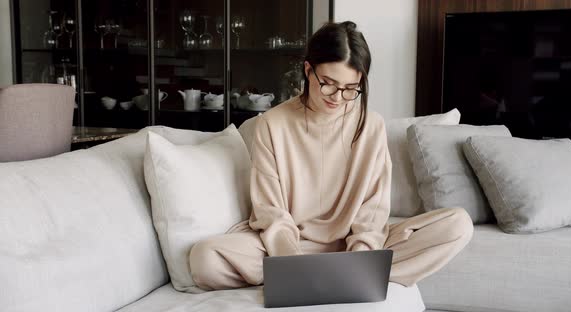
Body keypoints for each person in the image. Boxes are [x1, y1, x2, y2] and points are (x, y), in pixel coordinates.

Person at [189, 21, 473, 291]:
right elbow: (271, 211)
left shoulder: (371, 126)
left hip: (354, 250)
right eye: (328, 83)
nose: (337, 97)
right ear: (308, 70)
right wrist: (292, 263)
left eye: (351, 89)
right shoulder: (271, 124)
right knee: (205, 258)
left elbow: (372, 212)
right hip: (288, 247)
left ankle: (344, 276)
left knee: (458, 224)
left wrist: (361, 255)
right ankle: (330, 279)